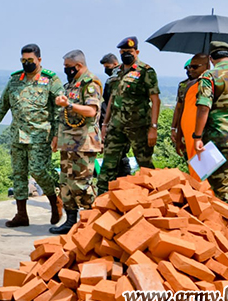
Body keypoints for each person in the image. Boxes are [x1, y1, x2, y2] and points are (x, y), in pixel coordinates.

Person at [0, 44, 64, 227]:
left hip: (40, 135)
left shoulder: (50, 80)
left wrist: (57, 135)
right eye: (24, 60)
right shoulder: (15, 80)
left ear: (39, 60)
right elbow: (2, 105)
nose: (27, 64)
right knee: (18, 174)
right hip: (17, 136)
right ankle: (22, 214)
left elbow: (59, 110)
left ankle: (55, 201)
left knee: (38, 171)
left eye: (30, 60)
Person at [49, 50, 102, 234]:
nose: (66, 70)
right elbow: (63, 115)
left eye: (68, 67)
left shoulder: (90, 83)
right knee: (65, 183)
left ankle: (91, 222)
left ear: (78, 66)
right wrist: (56, 137)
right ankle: (70, 221)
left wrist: (69, 105)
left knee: (81, 184)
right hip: (67, 141)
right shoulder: (71, 85)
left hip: (84, 142)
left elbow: (91, 111)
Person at [99, 37, 161, 194]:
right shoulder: (117, 71)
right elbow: (112, 98)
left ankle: (155, 199)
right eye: (124, 52)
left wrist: (153, 127)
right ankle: (101, 202)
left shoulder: (145, 71)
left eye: (130, 52)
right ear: (119, 53)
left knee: (145, 164)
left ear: (137, 52)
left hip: (139, 126)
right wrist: (105, 125)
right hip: (116, 126)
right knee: (108, 165)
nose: (126, 54)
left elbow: (155, 100)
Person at [194, 41, 228, 209]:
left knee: (223, 193)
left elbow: (203, 107)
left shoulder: (209, 76)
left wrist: (197, 136)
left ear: (211, 58)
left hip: (220, 139)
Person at [99, 53, 131, 178]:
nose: (106, 70)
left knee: (120, 156)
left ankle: (124, 180)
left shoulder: (118, 79)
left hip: (121, 122)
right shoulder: (112, 79)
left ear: (115, 64)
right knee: (115, 156)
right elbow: (107, 102)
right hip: (112, 122)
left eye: (108, 66)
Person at [173, 54, 210, 161]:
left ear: (206, 66)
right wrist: (177, 132)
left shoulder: (213, 83)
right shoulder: (186, 86)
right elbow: (181, 110)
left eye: (195, 67)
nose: (190, 70)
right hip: (191, 134)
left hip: (209, 134)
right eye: (189, 67)